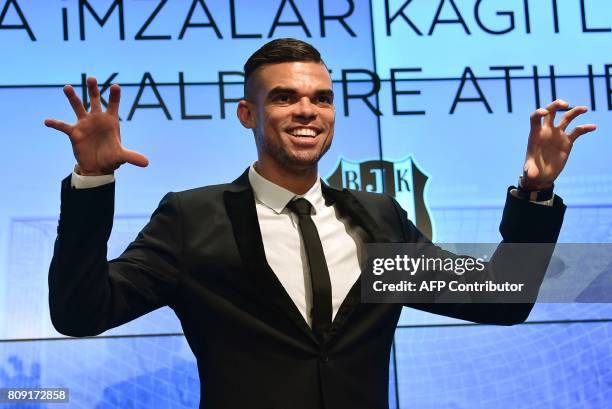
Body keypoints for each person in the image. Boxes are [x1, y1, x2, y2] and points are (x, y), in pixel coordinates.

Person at [45, 38, 596, 409]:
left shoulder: (375, 218)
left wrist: (535, 193)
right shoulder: (193, 218)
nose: (307, 111)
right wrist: (92, 183)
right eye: (284, 98)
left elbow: (500, 299)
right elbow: (80, 312)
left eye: (322, 99)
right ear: (248, 114)